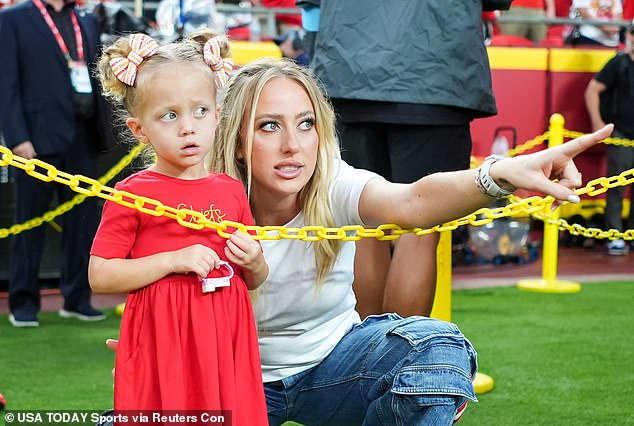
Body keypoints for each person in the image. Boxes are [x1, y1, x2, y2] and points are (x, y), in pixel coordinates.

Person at [102, 57, 612, 425]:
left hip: (332, 366)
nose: (292, 145)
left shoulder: (332, 178)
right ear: (236, 136)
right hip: (230, 374)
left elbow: (411, 201)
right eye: (269, 127)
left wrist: (498, 174)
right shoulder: (194, 193)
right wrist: (160, 350)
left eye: (306, 125)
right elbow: (129, 276)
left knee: (439, 348)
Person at [89, 31, 269, 421]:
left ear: (217, 116)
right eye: (169, 115)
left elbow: (253, 277)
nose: (188, 127)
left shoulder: (233, 191)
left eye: (200, 111)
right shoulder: (132, 192)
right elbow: (100, 275)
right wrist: (173, 260)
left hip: (224, 340)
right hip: (162, 340)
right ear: (140, 130)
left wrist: (254, 261)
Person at [310, 1, 499, 318]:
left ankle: (364, 355)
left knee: (362, 225)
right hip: (435, 74)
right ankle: (401, 360)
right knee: (420, 232)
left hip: (347, 70)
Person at [0, 0, 112, 327]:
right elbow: (5, 84)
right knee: (30, 223)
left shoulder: (85, 20)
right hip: (34, 140)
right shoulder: (13, 19)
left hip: (83, 136)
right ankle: (23, 303)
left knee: (83, 224)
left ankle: (77, 298)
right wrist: (18, 138)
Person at [585, 21, 634, 255]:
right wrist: (597, 122)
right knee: (616, 186)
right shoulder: (619, 62)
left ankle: (631, 235)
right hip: (622, 134)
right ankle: (614, 235)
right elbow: (592, 89)